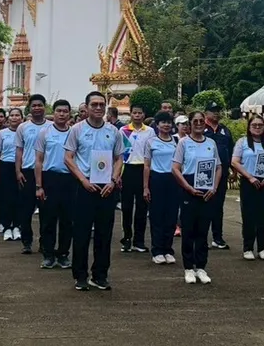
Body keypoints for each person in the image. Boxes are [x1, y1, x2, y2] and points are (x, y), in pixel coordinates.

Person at [64, 91, 124, 292]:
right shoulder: (77, 130)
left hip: (107, 187)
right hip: (84, 186)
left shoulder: (114, 131)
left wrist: (113, 180)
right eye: (94, 104)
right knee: (81, 233)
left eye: (101, 104)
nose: (98, 108)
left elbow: (119, 158)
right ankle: (80, 275)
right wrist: (83, 180)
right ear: (87, 107)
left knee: (104, 234)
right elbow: (68, 158)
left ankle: (100, 275)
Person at [172, 111, 220, 285]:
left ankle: (201, 266)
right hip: (189, 187)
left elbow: (218, 167)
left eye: (201, 121)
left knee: (203, 230)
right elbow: (175, 168)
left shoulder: (211, 143)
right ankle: (188, 268)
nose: (198, 124)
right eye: (195, 121)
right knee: (188, 230)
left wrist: (214, 187)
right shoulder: (184, 143)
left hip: (207, 189)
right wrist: (187, 187)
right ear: (190, 124)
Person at [33, 99, 74, 270]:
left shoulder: (74, 133)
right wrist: (39, 186)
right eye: (59, 111)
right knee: (48, 219)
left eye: (65, 111)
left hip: (70, 179)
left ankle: (63, 254)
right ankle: (48, 254)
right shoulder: (45, 132)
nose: (62, 114)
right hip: (49, 178)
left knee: (67, 220)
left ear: (69, 114)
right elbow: (38, 160)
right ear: (54, 113)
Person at [232, 114, 264, 261]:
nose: (257, 128)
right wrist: (249, 177)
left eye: (260, 125)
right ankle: (248, 247)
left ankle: (262, 247)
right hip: (249, 181)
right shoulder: (242, 142)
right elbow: (235, 162)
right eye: (254, 125)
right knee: (249, 215)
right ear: (249, 127)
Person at [142, 111, 180, 264]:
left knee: (171, 216)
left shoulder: (177, 141)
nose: (166, 125)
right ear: (157, 125)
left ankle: (168, 249)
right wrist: (146, 187)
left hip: (173, 180)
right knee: (157, 216)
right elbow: (146, 165)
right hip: (156, 179)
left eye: (169, 122)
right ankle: (157, 250)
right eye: (163, 122)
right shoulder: (151, 142)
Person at [14, 94, 48, 255]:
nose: (37, 108)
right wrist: (18, 171)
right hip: (27, 172)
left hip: (46, 172)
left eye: (40, 105)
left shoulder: (51, 126)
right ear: (29, 108)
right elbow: (19, 150)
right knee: (25, 210)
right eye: (34, 105)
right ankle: (26, 242)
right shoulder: (23, 127)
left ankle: (45, 242)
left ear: (44, 107)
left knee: (46, 211)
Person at [119, 104, 153, 253]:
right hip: (127, 169)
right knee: (126, 207)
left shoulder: (150, 131)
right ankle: (127, 238)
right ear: (131, 114)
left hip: (143, 169)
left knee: (142, 207)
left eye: (140, 113)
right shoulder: (124, 130)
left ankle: (139, 240)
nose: (137, 115)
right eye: (134, 113)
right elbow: (119, 153)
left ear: (144, 115)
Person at [204, 102, 235, 250]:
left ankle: (218, 237)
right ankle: (202, 237)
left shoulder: (225, 130)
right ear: (206, 113)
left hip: (221, 172)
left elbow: (231, 150)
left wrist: (233, 171)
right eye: (212, 111)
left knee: (218, 206)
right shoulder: (201, 128)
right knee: (204, 205)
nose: (216, 113)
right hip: (204, 173)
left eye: (218, 111)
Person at [0, 107, 22, 240]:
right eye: (12, 115)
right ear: (8, 118)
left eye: (17, 115)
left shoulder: (24, 132)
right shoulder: (2, 133)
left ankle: (17, 226)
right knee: (6, 197)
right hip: (5, 166)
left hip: (22, 167)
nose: (14, 117)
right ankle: (6, 227)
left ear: (22, 118)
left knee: (19, 197)